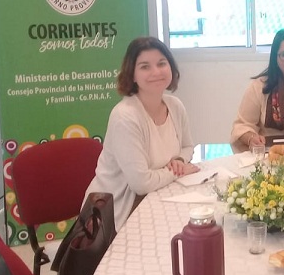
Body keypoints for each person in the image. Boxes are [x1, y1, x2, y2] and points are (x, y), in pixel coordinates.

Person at [85, 37, 199, 230]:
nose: (156, 72)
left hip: (158, 196)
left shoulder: (175, 106)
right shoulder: (125, 117)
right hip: (116, 214)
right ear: (132, 75)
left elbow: (188, 146)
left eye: (161, 63)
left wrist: (179, 160)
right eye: (145, 66)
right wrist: (177, 171)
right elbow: (141, 184)